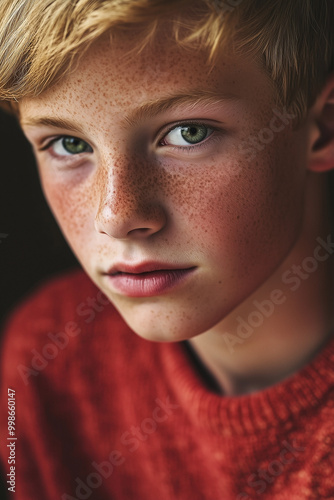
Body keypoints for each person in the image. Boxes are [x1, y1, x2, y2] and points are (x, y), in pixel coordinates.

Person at [0, 0, 334, 498]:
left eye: (188, 133)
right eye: (69, 145)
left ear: (323, 127)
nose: (115, 216)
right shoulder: (49, 358)